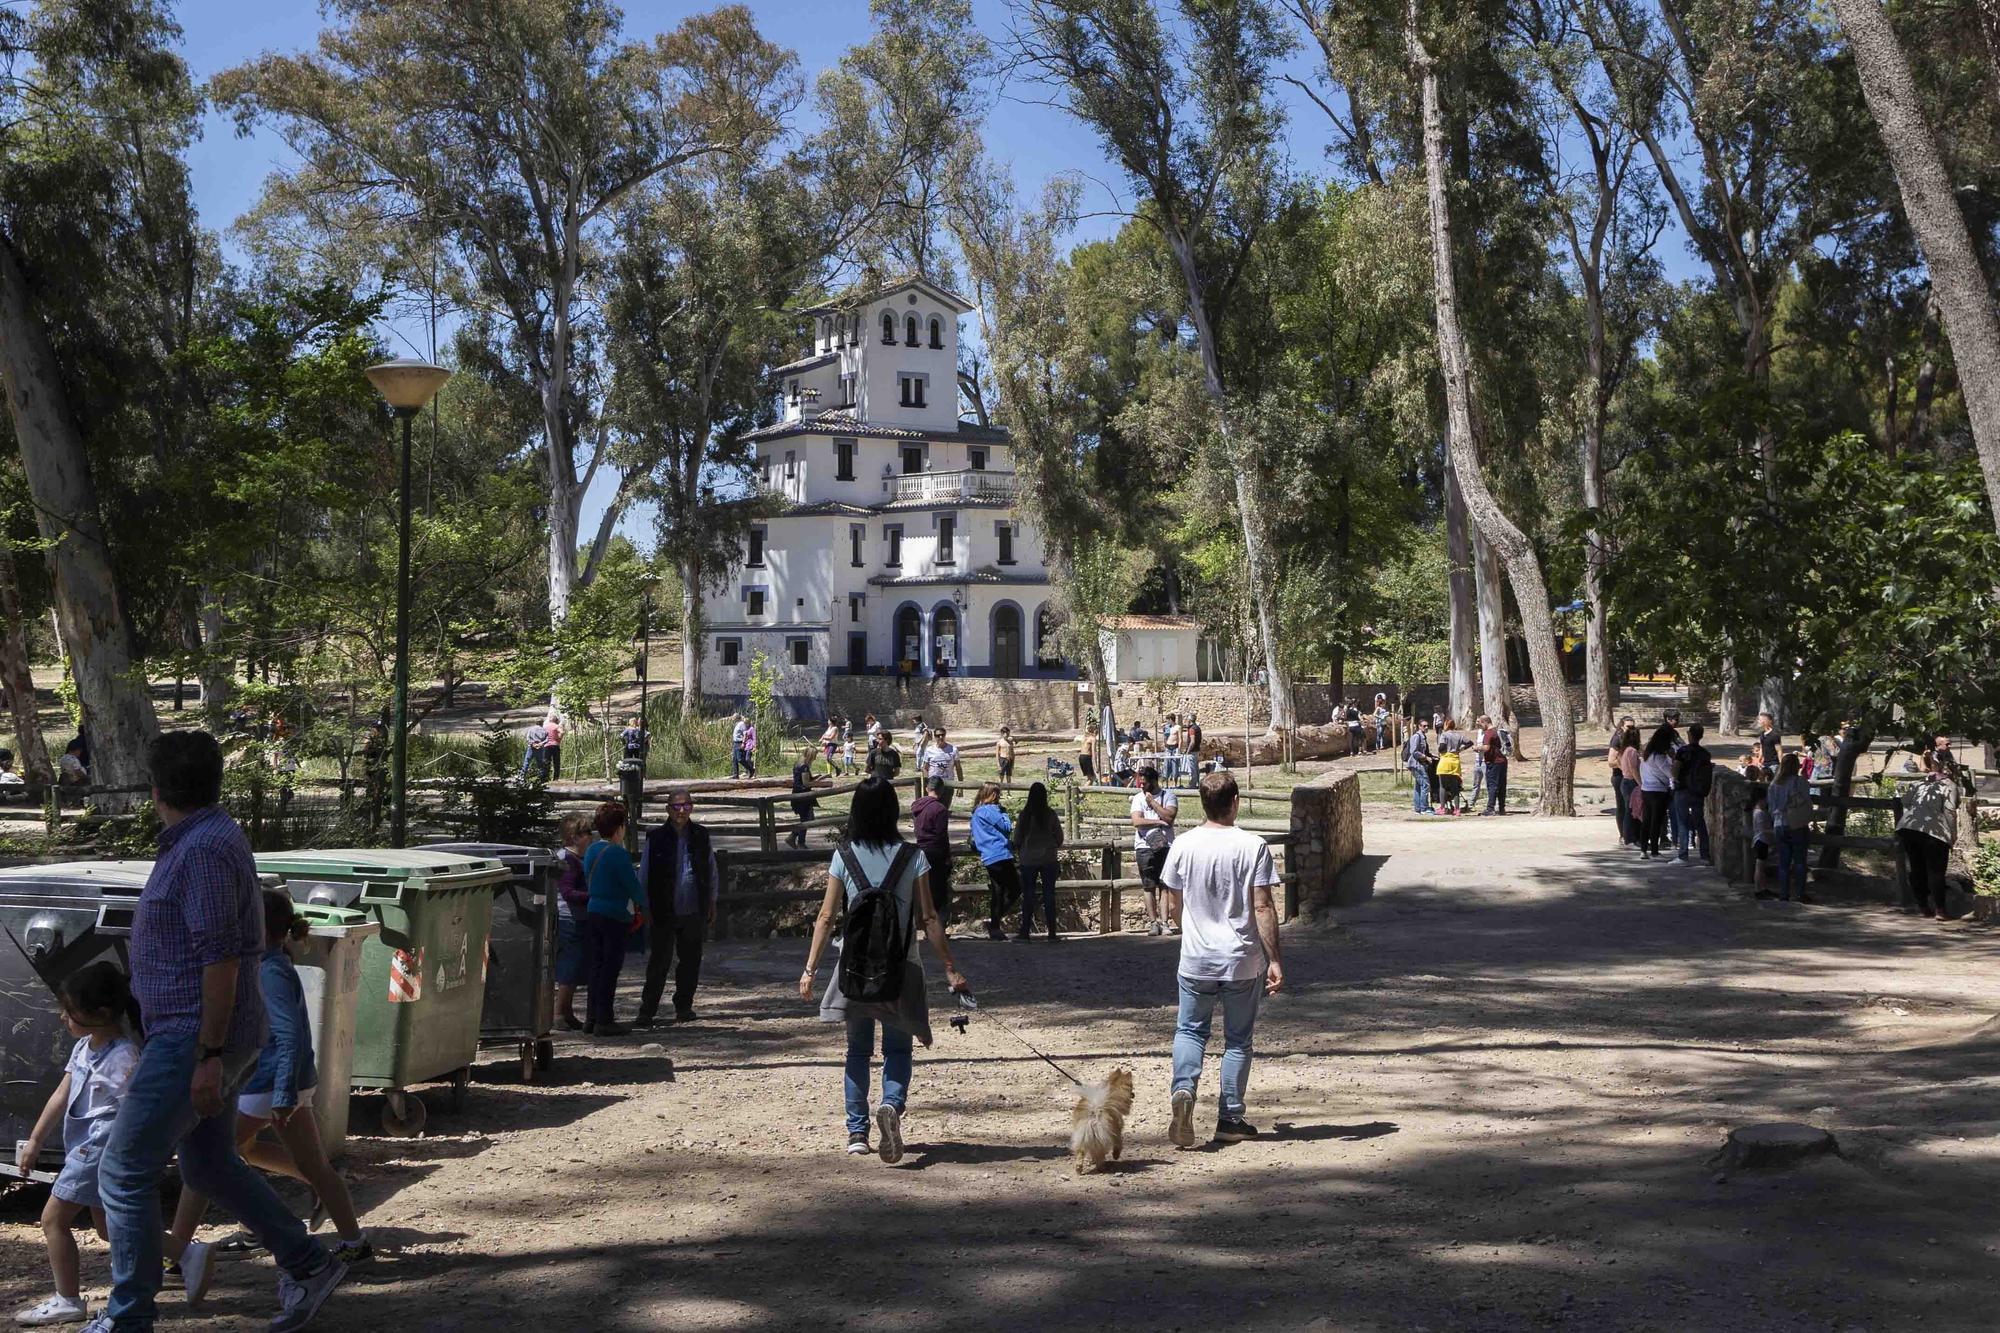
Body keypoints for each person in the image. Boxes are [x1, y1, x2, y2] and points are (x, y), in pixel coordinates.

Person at [99, 731, 344, 1333]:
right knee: (208, 1168)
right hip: (199, 1035)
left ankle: (128, 1318)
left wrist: (208, 1054)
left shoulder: (203, 848)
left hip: (193, 1037)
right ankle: (309, 1262)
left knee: (123, 1170)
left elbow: (220, 957)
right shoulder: (204, 837)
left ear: (155, 789)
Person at [170, 892, 372, 1302]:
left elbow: (289, 1034)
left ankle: (176, 1253)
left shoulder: (269, 972)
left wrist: (281, 1091)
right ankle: (354, 1241)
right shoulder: (272, 964)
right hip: (288, 1084)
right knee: (308, 1164)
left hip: (270, 1087)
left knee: (206, 1162)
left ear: (260, 931)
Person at [798, 777, 970, 1160]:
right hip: (901, 967)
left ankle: (857, 1132)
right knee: (897, 1048)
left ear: (856, 812)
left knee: (857, 1051)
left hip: (854, 968)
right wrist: (949, 967)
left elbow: (826, 916)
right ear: (893, 811)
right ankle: (891, 1104)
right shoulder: (913, 857)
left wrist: (810, 969)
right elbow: (928, 918)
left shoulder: (844, 855)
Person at [1162, 770, 1283, 1148]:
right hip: (1240, 960)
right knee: (1237, 1040)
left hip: (1197, 958)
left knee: (1189, 1030)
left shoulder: (1183, 845)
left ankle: (1183, 1091)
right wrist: (1274, 958)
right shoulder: (1253, 846)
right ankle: (1230, 1116)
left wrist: (1189, 931)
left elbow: (1172, 903)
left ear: (1203, 803)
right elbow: (1262, 906)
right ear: (1235, 803)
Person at [13, 964, 137, 1328]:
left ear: (101, 1014)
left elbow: (133, 1110)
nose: (62, 1016)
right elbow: (61, 1094)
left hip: (99, 1148)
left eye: (71, 1011)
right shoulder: (85, 1047)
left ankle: (67, 1299)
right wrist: (35, 1139)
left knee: (52, 1218)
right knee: (109, 1228)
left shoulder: (123, 1057)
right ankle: (186, 1255)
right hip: (84, 1145)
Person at [637, 792, 720, 1026]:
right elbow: (644, 873)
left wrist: (712, 900)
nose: (681, 811)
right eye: (676, 807)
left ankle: (684, 1007)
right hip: (663, 908)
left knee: (691, 961)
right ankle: (647, 1010)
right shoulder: (656, 837)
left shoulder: (701, 835)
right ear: (668, 809)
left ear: (691, 808)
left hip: (694, 908)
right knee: (659, 961)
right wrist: (644, 905)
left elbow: (711, 870)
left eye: (685, 806)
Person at [581, 801, 645, 1035]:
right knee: (610, 967)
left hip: (593, 910)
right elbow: (632, 886)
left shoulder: (591, 850)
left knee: (596, 966)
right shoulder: (617, 854)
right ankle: (604, 1019)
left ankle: (591, 1017)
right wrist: (645, 904)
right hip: (614, 915)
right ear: (619, 827)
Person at [1896, 751, 1960, 921]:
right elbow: (1950, 811)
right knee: (1936, 871)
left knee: (1917, 868)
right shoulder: (1948, 786)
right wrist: (1952, 835)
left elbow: (1905, 801)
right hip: (1934, 831)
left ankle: (1923, 906)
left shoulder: (1920, 783)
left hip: (1909, 828)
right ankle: (1940, 909)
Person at [551, 813, 592, 1031]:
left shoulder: (578, 858)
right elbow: (567, 892)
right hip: (569, 919)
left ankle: (567, 1011)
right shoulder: (567, 860)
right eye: (585, 833)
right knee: (569, 966)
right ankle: (558, 1013)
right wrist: (594, 895)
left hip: (579, 918)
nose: (590, 836)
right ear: (573, 837)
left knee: (576, 967)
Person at [1012, 781, 1065, 942]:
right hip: (1048, 858)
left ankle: (1025, 932)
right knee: (1049, 894)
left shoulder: (1025, 815)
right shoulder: (1050, 814)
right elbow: (1059, 837)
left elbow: (1017, 838)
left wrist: (1021, 849)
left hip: (1028, 859)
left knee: (1028, 894)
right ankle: (1052, 933)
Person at [1132, 766, 1180, 936]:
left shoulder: (1169, 796)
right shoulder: (1137, 798)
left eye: (1145, 783)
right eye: (1140, 783)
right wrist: (1158, 823)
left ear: (1153, 781)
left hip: (1165, 846)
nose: (1142, 786)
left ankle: (1165, 922)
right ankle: (1153, 922)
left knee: (1165, 886)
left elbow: (1169, 817)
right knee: (1148, 886)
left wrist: (1153, 803)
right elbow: (1137, 821)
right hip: (1145, 847)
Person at [970, 783, 1021, 941]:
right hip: (1000, 853)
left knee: (997, 891)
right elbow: (1006, 827)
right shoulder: (992, 810)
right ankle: (994, 923)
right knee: (1016, 888)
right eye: (997, 795)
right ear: (992, 795)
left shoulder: (976, 812)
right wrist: (1004, 813)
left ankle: (995, 925)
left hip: (988, 855)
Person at [1765, 753, 1814, 903]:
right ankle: (1800, 892)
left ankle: (1784, 893)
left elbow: (1771, 807)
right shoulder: (1801, 782)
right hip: (1797, 823)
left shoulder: (1774, 784)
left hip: (1780, 823)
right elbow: (1806, 801)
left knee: (1784, 862)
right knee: (1799, 860)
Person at [910, 778, 955, 928]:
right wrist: (947, 856)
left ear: (927, 788)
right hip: (936, 852)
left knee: (924, 889)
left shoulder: (916, 806)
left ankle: (923, 923)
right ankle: (938, 927)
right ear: (941, 790)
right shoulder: (939, 809)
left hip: (921, 849)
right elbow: (942, 835)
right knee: (939, 891)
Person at [1672, 724, 1714, 865]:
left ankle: (1683, 855)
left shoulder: (1683, 751)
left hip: (1683, 789)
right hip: (1698, 791)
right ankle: (1705, 855)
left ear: (1689, 734)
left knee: (1683, 822)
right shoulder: (1705, 754)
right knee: (1700, 822)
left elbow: (1676, 769)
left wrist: (1675, 778)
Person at [1637, 724, 1676, 859]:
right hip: (1658, 791)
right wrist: (1672, 758)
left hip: (1646, 790)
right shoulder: (1659, 757)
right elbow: (1671, 773)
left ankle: (1643, 849)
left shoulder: (1647, 755)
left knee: (1647, 820)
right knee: (1656, 821)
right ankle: (1654, 851)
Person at [1479, 714, 1511, 816]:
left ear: (1485, 722)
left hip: (1493, 762)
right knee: (1502, 785)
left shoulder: (1488, 733)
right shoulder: (1497, 731)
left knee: (1492, 785)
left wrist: (1477, 748)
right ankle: (1502, 808)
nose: (1480, 726)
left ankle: (1490, 808)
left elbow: (1486, 748)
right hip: (1503, 761)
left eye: (1480, 724)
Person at [789, 746, 821, 849]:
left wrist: (820, 777)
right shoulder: (804, 766)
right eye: (815, 755)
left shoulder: (798, 764)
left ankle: (794, 837)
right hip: (802, 796)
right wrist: (816, 784)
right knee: (807, 819)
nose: (815, 758)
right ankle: (799, 841)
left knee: (808, 818)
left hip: (798, 794)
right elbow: (806, 783)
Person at [1618, 724, 1643, 845]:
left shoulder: (1624, 750)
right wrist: (1640, 784)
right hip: (1631, 782)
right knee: (1632, 810)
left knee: (1630, 809)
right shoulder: (1632, 751)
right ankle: (1631, 837)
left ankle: (1629, 836)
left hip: (1625, 781)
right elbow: (1633, 769)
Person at [1404, 720, 1434, 815]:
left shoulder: (1423, 737)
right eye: (1424, 726)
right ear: (1419, 726)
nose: (1426, 728)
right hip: (1416, 764)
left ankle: (1418, 808)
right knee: (1425, 785)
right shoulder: (1416, 737)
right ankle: (1423, 808)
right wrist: (1426, 757)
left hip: (1419, 764)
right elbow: (1414, 751)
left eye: (1427, 726)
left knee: (1418, 786)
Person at [924, 726, 964, 794]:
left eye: (942, 735)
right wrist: (927, 783)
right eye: (938, 735)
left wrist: (960, 787)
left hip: (948, 784)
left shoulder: (953, 749)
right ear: (935, 737)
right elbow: (925, 768)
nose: (940, 737)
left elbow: (958, 768)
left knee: (946, 804)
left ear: (945, 735)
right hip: (934, 784)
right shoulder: (929, 750)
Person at [1749, 789, 1774, 894]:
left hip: (1762, 841)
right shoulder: (1759, 813)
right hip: (1761, 841)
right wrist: (1774, 831)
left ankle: (1763, 888)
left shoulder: (1758, 811)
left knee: (1762, 867)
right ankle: (1757, 889)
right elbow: (1761, 829)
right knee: (1759, 867)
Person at [1434, 744, 1463, 816]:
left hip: (1445, 762)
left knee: (1442, 786)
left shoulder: (1444, 736)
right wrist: (1460, 749)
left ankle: (1442, 808)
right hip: (1455, 762)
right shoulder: (1458, 736)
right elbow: (1470, 743)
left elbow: (1440, 749)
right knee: (1455, 787)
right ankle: (1457, 809)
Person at [730, 713, 749, 779]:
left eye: (733, 717)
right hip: (735, 743)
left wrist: (743, 743)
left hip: (739, 742)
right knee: (734, 759)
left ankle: (750, 769)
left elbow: (745, 734)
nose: (732, 718)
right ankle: (736, 774)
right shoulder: (737, 724)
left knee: (740, 759)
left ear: (736, 717)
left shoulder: (742, 724)